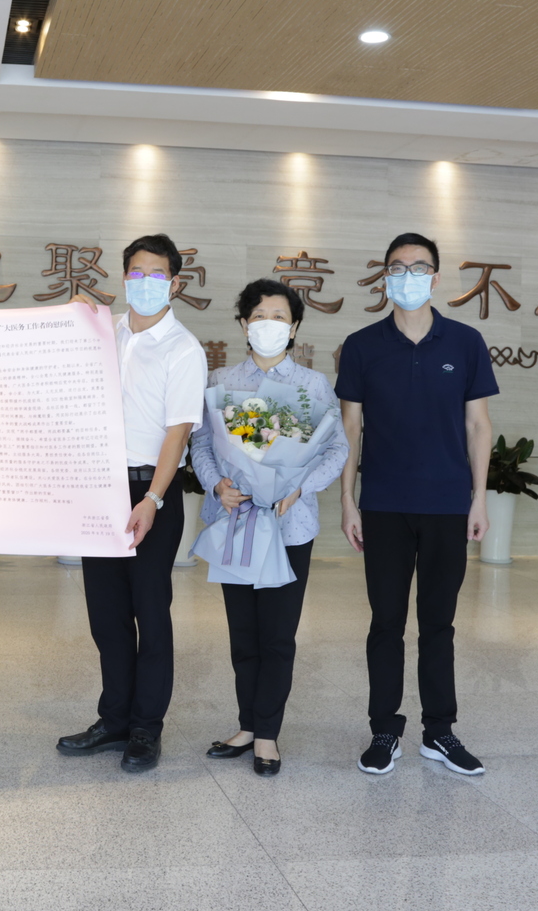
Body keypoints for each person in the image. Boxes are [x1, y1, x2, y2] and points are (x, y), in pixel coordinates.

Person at [336, 232, 497, 778]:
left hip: (448, 504)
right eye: (397, 267)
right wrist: (348, 501)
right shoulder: (362, 345)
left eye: (419, 267)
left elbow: (479, 426)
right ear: (384, 277)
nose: (408, 276)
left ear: (435, 277)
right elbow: (350, 429)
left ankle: (439, 731)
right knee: (385, 622)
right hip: (383, 505)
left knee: (438, 623)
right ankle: (384, 730)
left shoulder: (465, 342)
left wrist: (479, 498)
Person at [58, 234, 207, 773]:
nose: (145, 283)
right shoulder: (107, 331)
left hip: (150, 493)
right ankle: (114, 718)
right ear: (124, 279)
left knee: (151, 613)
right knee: (107, 615)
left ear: (175, 283)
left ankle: (146, 728)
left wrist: (152, 498)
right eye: (136, 274)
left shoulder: (183, 348)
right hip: (100, 488)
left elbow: (177, 434)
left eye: (157, 274)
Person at [190, 278, 348, 776]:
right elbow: (201, 444)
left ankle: (267, 734)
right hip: (235, 520)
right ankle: (246, 724)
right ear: (243, 325)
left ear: (294, 327)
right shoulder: (221, 381)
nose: (268, 325)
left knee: (277, 635)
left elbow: (337, 448)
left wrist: (301, 487)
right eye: (258, 316)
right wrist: (217, 484)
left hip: (288, 525)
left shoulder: (312, 385)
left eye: (279, 317)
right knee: (243, 634)